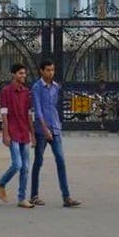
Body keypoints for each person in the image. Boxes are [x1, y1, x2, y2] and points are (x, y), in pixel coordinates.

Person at [30, 60, 81, 208]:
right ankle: (34, 195)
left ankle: (66, 197)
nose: (50, 73)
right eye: (47, 70)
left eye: (52, 70)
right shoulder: (37, 88)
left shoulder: (56, 87)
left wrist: (56, 125)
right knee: (38, 162)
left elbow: (54, 107)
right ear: (41, 71)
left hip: (55, 129)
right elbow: (38, 111)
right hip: (41, 131)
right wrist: (45, 129)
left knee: (61, 161)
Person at [0, 63, 36, 208]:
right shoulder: (6, 91)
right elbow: (4, 114)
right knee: (17, 164)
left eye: (24, 73)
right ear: (13, 74)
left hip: (24, 132)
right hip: (13, 132)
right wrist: (5, 134)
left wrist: (33, 134)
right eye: (20, 73)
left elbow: (29, 114)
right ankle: (0, 183)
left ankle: (22, 198)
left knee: (25, 167)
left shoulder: (26, 92)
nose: (23, 76)